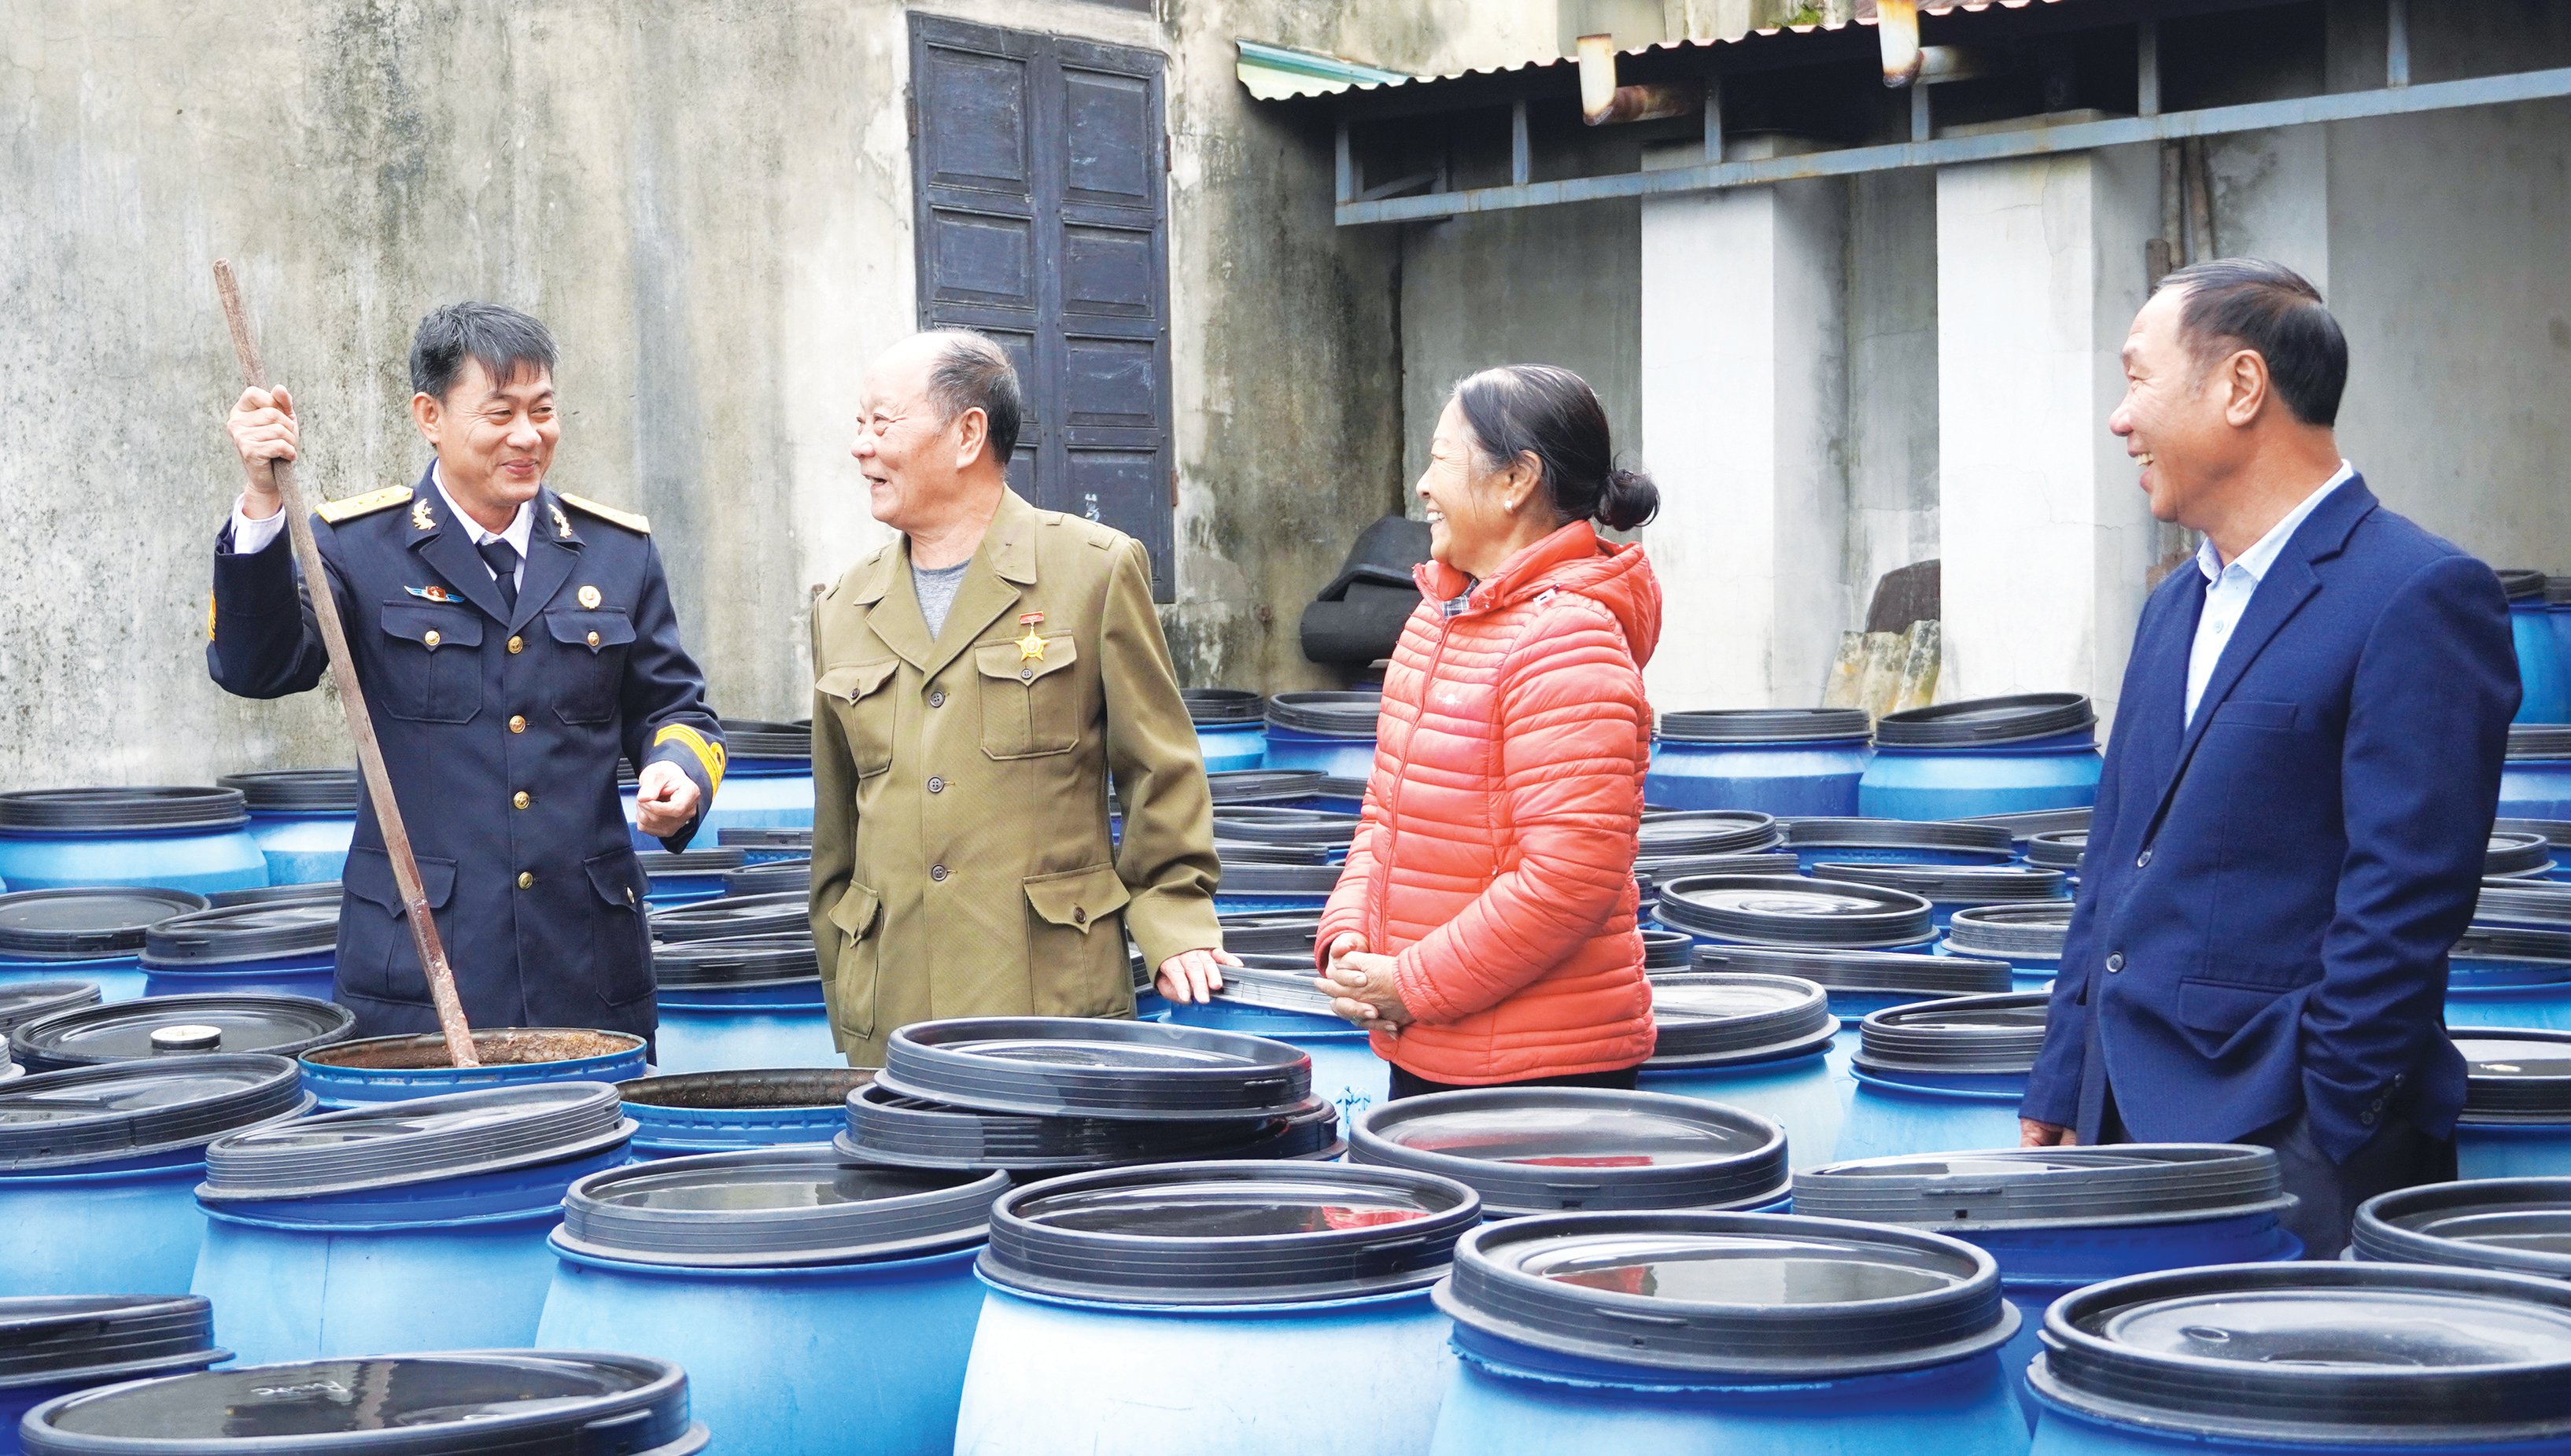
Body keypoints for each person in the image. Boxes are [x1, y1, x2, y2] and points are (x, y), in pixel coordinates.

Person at [2019, 260, 2518, 1255]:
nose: (2120, 421)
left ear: (2241, 387)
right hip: (2124, 1126)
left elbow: (2408, 896)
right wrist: (2066, 1073)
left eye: (2137, 380)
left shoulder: (2416, 593)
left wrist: (2324, 1124)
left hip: (2293, 1143)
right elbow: (2115, 858)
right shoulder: (2174, 604)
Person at [211, 301, 725, 1040]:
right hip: (421, 970)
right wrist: (263, 500)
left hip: (584, 966)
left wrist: (679, 772)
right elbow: (255, 666)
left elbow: (675, 709)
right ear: (431, 415)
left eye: (543, 411)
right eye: (500, 413)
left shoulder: (618, 553)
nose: (528, 436)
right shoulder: (359, 547)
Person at [808, 330, 1233, 1065]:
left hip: (1050, 999)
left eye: (882, 423)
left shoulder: (1091, 572)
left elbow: (1159, 771)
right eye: (858, 424)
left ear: (968, 432)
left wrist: (1177, 921)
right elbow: (836, 831)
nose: (861, 447)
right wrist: (847, 979)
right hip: (894, 1008)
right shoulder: (844, 606)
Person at [1312, 364, 1663, 1097]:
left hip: (1543, 1080)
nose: (1423, 486)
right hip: (1430, 1044)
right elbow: (1385, 818)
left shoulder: (1569, 641)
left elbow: (1564, 882)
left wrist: (1408, 982)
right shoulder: (1435, 623)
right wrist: (1350, 944)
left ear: (1516, 481)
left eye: (1440, 460)